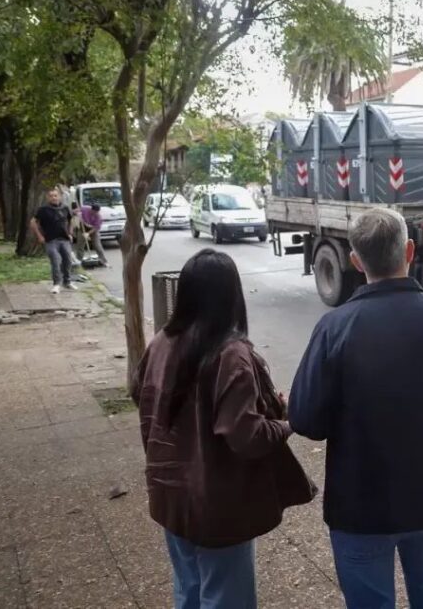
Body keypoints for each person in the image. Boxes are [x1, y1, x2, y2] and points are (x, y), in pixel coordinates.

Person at [288, 208, 423, 609]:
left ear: (354, 260)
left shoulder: (335, 328)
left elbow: (304, 418)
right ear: (410, 251)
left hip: (361, 506)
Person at [131, 249, 316, 609]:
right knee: (226, 597)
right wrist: (286, 423)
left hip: (170, 496)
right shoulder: (230, 354)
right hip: (218, 507)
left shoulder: (160, 343)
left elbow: (145, 400)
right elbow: (246, 437)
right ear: (233, 295)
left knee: (189, 589)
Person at [31, 189, 75, 294]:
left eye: (55, 195)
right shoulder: (43, 209)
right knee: (56, 261)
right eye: (51, 196)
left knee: (68, 260)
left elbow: (71, 220)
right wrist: (39, 236)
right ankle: (56, 284)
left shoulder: (65, 208)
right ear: (48, 198)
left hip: (64, 239)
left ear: (59, 197)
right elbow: (33, 222)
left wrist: (70, 233)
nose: (53, 198)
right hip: (51, 240)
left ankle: (67, 282)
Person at [78, 202, 111, 267]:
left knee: (97, 246)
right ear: (91, 209)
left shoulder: (99, 217)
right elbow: (75, 211)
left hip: (93, 230)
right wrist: (77, 214)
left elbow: (96, 228)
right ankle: (78, 262)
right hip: (82, 227)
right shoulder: (85, 208)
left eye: (97, 212)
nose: (95, 213)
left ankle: (104, 261)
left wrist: (88, 233)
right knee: (80, 245)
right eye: (94, 211)